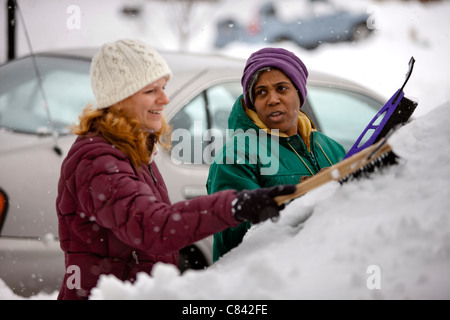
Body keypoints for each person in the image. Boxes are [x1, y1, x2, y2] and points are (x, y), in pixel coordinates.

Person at [56, 39, 296, 300]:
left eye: (163, 88)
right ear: (119, 99)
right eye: (151, 91)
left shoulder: (133, 152)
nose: (164, 99)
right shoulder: (98, 160)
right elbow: (153, 226)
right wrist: (234, 205)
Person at [207, 47, 346, 262]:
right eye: (261, 92)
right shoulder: (235, 157)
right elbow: (237, 236)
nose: (272, 99)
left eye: (282, 88)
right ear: (252, 101)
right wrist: (313, 195)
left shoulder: (331, 148)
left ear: (299, 93)